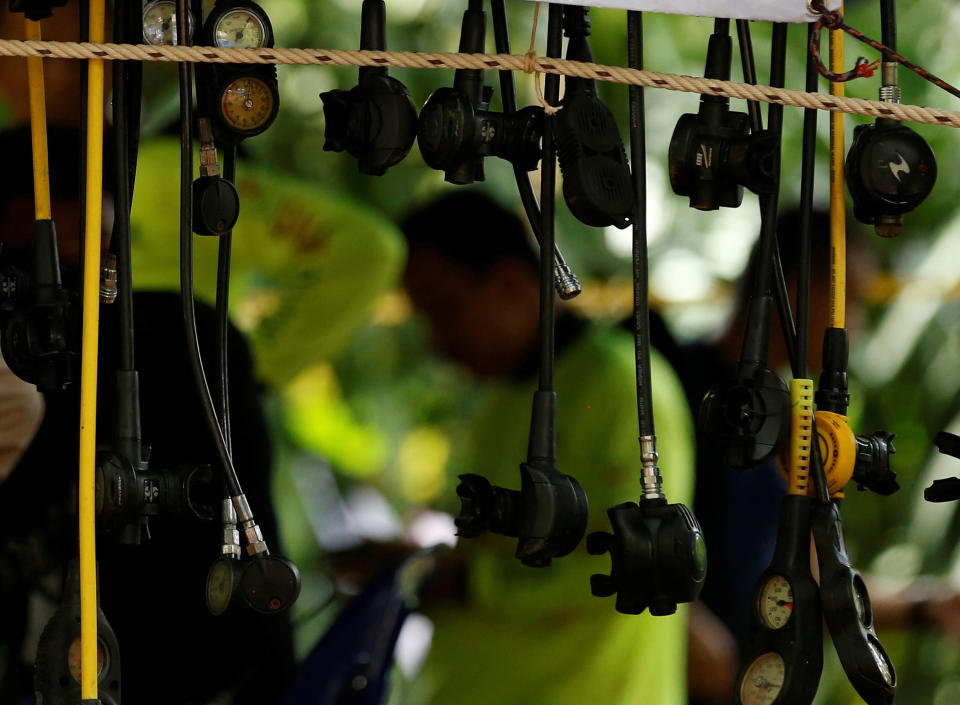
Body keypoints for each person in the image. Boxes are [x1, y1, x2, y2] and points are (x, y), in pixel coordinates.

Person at [399, 191, 700, 705]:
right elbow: (487, 551)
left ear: (514, 286)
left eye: (446, 311)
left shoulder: (623, 388)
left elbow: (650, 566)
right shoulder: (498, 399)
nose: (436, 341)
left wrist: (465, 583)